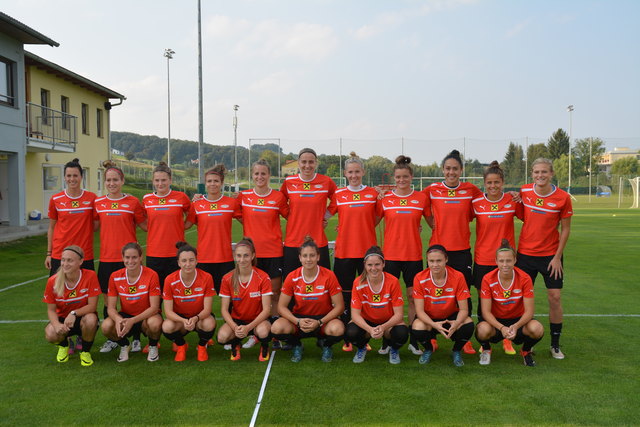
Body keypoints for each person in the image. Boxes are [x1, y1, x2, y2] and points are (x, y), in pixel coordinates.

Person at [423, 149, 482, 355]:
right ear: (443, 170)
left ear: (461, 170)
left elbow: (487, 204)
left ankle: (463, 338)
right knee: (431, 295)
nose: (451, 172)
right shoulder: (431, 190)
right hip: (437, 250)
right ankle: (430, 336)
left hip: (461, 251)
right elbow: (417, 206)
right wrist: (433, 226)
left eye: (455, 169)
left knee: (463, 295)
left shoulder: (471, 190)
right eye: (447, 168)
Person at [516, 158, 572, 359]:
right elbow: (523, 216)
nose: (540, 175)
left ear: (551, 173)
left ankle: (555, 344)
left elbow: (565, 229)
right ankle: (524, 340)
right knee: (519, 299)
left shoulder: (563, 197)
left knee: (555, 298)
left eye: (544, 172)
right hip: (525, 255)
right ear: (532, 174)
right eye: (536, 172)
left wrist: (557, 257)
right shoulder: (524, 191)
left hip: (550, 257)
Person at [377, 155, 429, 355]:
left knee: (413, 298)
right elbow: (370, 220)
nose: (401, 180)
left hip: (413, 256)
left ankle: (414, 340)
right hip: (389, 255)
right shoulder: (385, 199)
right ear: (394, 177)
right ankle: (387, 339)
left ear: (411, 177)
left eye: (405, 177)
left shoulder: (421, 198)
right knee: (387, 298)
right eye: (398, 177)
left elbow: (433, 221)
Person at [94, 161, 147, 353]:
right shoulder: (98, 203)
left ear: (122, 181)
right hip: (107, 260)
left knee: (135, 301)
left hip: (130, 260)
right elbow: (90, 227)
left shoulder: (132, 202)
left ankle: (136, 339)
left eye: (115, 179)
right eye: (108, 180)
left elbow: (145, 225)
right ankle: (115, 338)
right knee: (110, 303)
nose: (111, 183)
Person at [471, 160, 519, 355]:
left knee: (508, 301)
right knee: (484, 302)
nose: (493, 186)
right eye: (489, 183)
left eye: (496, 182)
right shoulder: (475, 203)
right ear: (484, 183)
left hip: (506, 260)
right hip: (483, 259)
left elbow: (530, 217)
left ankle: (508, 338)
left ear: (503, 182)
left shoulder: (511, 201)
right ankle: (486, 343)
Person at [271, 237, 345, 363]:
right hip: (300, 319)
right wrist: (297, 321)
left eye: (312, 255)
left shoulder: (328, 275)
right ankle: (297, 345)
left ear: (318, 257)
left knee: (338, 329)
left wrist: (320, 322)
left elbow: (339, 306)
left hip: (323, 319)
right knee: (276, 328)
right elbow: (281, 307)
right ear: (300, 258)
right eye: (305, 256)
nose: (308, 259)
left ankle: (326, 345)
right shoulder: (292, 276)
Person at [328, 152, 380, 328]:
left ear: (363, 172)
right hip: (345, 251)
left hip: (368, 253)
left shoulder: (373, 193)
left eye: (357, 172)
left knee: (367, 292)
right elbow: (325, 215)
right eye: (350, 172)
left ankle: (365, 330)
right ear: (345, 173)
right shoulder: (339, 194)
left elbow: (380, 216)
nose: (354, 175)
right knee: (346, 293)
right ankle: (347, 328)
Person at [476, 240, 544, 367]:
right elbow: (485, 312)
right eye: (501, 261)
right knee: (481, 329)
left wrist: (516, 326)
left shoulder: (524, 278)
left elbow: (529, 311)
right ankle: (486, 350)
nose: (505, 264)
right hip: (496, 323)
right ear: (496, 261)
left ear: (515, 260)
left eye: (508, 260)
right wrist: (502, 327)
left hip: (518, 322)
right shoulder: (487, 279)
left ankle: (525, 351)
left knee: (537, 328)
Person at [237, 159, 288, 318]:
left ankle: (273, 330)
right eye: (257, 173)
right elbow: (226, 209)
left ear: (269, 175)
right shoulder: (243, 196)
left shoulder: (278, 197)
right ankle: (256, 330)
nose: (260, 177)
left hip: (273, 252)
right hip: (251, 254)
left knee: (274, 294)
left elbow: (293, 217)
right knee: (253, 294)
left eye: (263, 173)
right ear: (252, 175)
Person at [411, 245, 474, 367]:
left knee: (467, 323)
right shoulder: (419, 278)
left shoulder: (458, 276)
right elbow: (419, 311)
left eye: (439, 260)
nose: (435, 265)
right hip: (430, 318)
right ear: (427, 261)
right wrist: (434, 325)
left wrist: (456, 323)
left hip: (450, 317)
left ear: (446, 259)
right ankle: (428, 349)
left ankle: (456, 350)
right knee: (417, 326)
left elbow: (464, 309)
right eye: (431, 261)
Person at [101, 243, 163, 363]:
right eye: (127, 257)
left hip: (146, 316)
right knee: (106, 326)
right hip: (126, 315)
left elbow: (154, 307)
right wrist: (118, 319)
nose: (130, 261)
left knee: (155, 323)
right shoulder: (115, 276)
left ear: (140, 257)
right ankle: (124, 345)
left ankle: (153, 346)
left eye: (134, 257)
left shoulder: (151, 275)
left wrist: (133, 321)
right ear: (123, 258)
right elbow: (111, 308)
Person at [280, 148, 337, 279]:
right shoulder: (289, 182)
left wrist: (325, 216)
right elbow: (279, 202)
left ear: (316, 163)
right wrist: (292, 217)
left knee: (322, 283)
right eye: (304, 162)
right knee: (291, 284)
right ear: (298, 163)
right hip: (293, 242)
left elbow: (338, 199)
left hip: (318, 241)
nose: (307, 165)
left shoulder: (326, 181)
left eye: (311, 162)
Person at [345, 246, 408, 364]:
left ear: (383, 264)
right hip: (367, 321)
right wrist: (370, 329)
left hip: (388, 322)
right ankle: (361, 348)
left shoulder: (393, 281)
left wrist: (383, 328)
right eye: (370, 265)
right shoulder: (358, 282)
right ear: (364, 264)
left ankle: (393, 349)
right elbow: (355, 315)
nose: (373, 268)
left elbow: (399, 314)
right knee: (351, 332)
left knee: (402, 333)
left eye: (377, 264)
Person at [186, 164, 240, 293]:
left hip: (225, 258)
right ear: (205, 184)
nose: (212, 184)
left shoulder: (231, 203)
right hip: (204, 258)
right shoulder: (197, 204)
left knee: (230, 297)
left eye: (216, 181)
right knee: (202, 297)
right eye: (209, 181)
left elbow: (248, 220)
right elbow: (185, 225)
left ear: (221, 183)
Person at [43, 245, 100, 366]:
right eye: (63, 260)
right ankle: (63, 346)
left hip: (82, 317)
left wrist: (74, 313)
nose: (65, 264)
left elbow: (92, 307)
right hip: (63, 320)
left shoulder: (90, 276)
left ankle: (85, 352)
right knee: (50, 333)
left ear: (80, 261)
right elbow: (51, 310)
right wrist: (57, 325)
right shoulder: (53, 281)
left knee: (91, 319)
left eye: (70, 260)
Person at [217, 238, 273, 361]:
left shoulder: (263, 277)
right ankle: (235, 344)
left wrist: (248, 328)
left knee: (263, 332)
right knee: (222, 337)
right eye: (239, 256)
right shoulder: (227, 278)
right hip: (237, 321)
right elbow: (224, 310)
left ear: (253, 256)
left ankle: (264, 346)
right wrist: (235, 327)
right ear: (234, 256)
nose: (242, 260)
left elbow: (266, 310)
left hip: (258, 320)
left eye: (246, 255)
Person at [161, 242, 216, 362]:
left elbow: (207, 310)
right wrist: (183, 321)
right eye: (184, 261)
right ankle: (181, 345)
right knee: (167, 326)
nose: (188, 264)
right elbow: (168, 312)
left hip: (199, 318)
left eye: (191, 260)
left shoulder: (206, 277)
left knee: (209, 323)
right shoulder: (170, 280)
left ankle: (202, 346)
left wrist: (195, 318)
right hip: (181, 321)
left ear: (196, 261)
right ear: (178, 263)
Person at [143, 162, 191, 288]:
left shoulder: (181, 197)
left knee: (176, 293)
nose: (160, 183)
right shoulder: (146, 199)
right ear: (153, 181)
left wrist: (181, 227)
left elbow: (192, 217)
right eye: (157, 180)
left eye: (164, 180)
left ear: (170, 180)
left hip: (176, 253)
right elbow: (140, 220)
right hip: (154, 254)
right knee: (155, 294)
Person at [45, 158, 97, 276]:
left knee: (85, 292)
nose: (72, 179)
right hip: (60, 254)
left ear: (81, 177)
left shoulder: (92, 198)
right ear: (64, 177)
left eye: (75, 175)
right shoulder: (55, 199)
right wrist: (49, 253)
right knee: (58, 292)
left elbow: (96, 225)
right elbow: (52, 228)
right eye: (68, 176)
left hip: (84, 254)